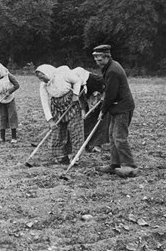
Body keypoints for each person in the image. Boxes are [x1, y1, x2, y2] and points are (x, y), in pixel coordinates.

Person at [92, 44, 138, 178]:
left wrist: (103, 110)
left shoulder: (112, 70)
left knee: (119, 137)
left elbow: (111, 95)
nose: (97, 62)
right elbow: (108, 89)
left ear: (107, 57)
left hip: (122, 107)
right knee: (112, 136)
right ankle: (115, 164)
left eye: (99, 59)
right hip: (116, 107)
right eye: (95, 59)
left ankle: (130, 166)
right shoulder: (109, 67)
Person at [35, 64, 83, 164]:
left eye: (43, 77)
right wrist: (50, 120)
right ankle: (61, 156)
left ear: (48, 72)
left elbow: (78, 81)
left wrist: (76, 94)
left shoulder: (63, 73)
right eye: (40, 79)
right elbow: (44, 102)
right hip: (56, 106)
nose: (42, 80)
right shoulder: (43, 85)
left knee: (75, 131)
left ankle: (75, 157)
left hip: (71, 102)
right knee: (58, 131)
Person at [72, 66, 110, 152]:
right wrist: (83, 109)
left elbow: (110, 84)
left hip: (102, 100)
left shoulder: (95, 78)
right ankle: (88, 143)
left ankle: (98, 145)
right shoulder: (75, 83)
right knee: (87, 120)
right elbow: (80, 96)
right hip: (90, 101)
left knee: (101, 121)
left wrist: (103, 97)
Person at [0, 63, 20, 143]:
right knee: (2, 117)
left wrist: (9, 91)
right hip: (0, 99)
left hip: (10, 99)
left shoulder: (8, 75)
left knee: (12, 116)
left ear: (1, 70)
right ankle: (2, 137)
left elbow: (17, 85)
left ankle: (14, 137)